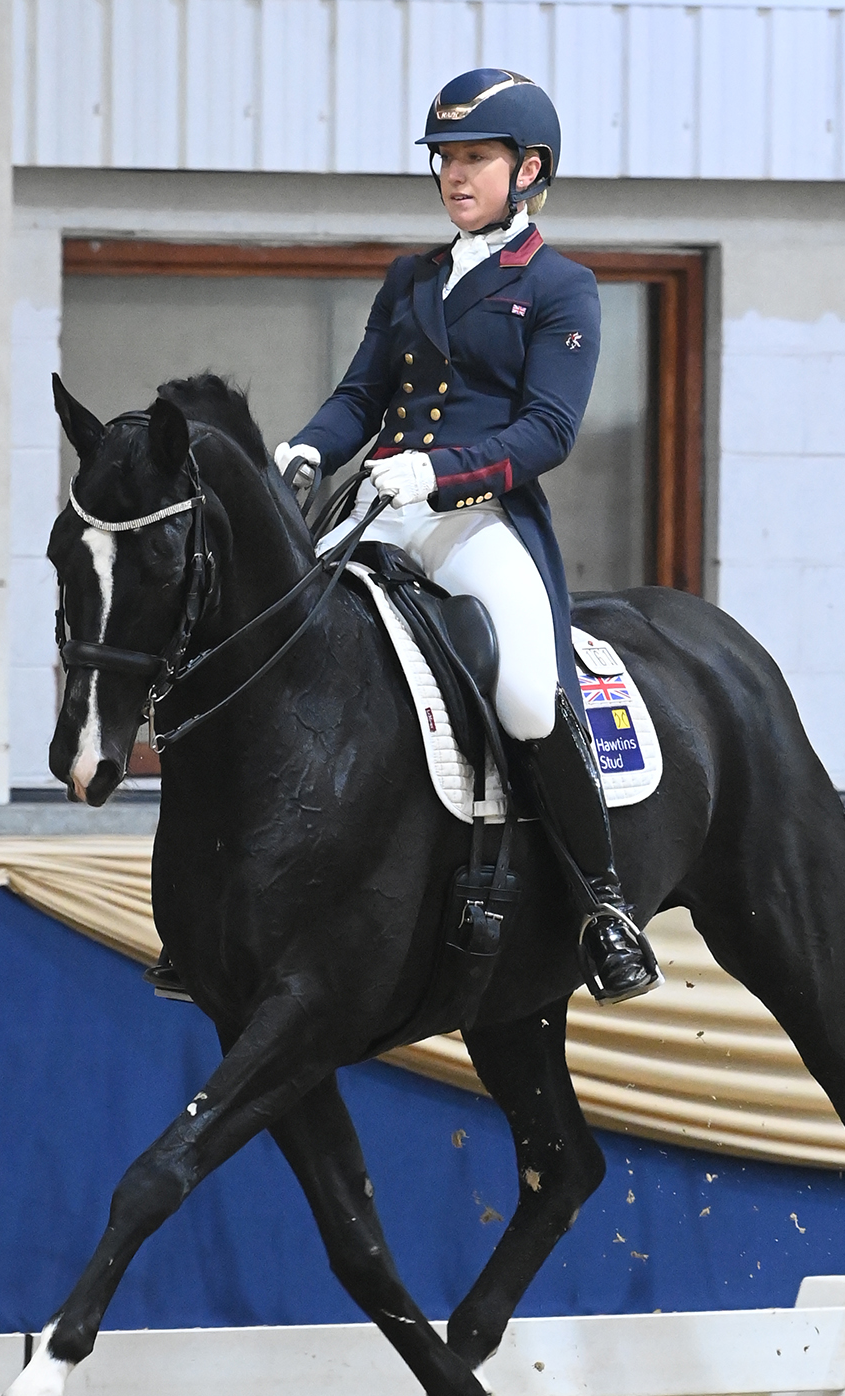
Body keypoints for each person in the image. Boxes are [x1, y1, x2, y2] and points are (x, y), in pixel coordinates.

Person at [276, 67, 658, 1006]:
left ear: (530, 169)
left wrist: (437, 473)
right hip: (377, 512)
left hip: (477, 521)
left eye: (475, 157)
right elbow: (362, 395)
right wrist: (306, 451)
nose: (454, 174)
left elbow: (547, 432)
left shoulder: (561, 288)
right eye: (445, 158)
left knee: (528, 693)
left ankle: (601, 907)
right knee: (271, 643)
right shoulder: (410, 279)